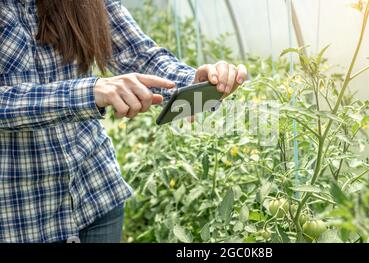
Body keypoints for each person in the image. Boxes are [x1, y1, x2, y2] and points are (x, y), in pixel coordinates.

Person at [0, 0, 247, 243]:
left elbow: (136, 52)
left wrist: (194, 82)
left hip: (95, 192)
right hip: (22, 213)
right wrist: (91, 91)